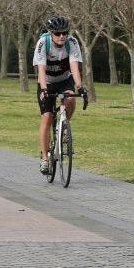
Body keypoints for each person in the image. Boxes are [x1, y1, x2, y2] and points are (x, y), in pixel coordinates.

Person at [32, 16, 86, 174]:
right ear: (51, 33)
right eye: (58, 33)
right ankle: (44, 158)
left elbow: (74, 67)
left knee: (70, 98)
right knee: (47, 116)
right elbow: (40, 69)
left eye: (65, 33)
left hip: (64, 79)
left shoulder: (72, 42)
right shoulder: (43, 43)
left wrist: (80, 87)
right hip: (47, 81)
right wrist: (43, 89)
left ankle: (63, 126)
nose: (62, 36)